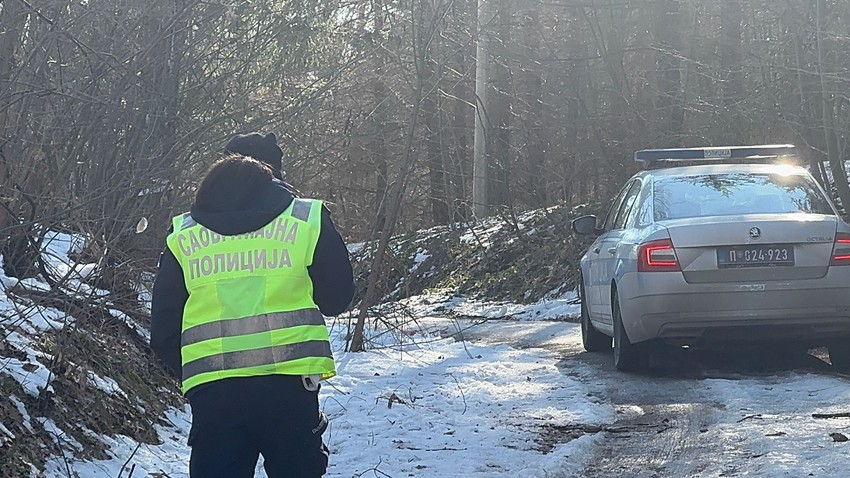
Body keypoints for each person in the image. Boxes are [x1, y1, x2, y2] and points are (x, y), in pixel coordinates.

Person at [150, 133, 354, 478]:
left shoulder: (183, 234)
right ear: (274, 171)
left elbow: (164, 329)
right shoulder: (306, 219)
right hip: (290, 387)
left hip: (214, 393)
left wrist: (195, 378)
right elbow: (336, 299)